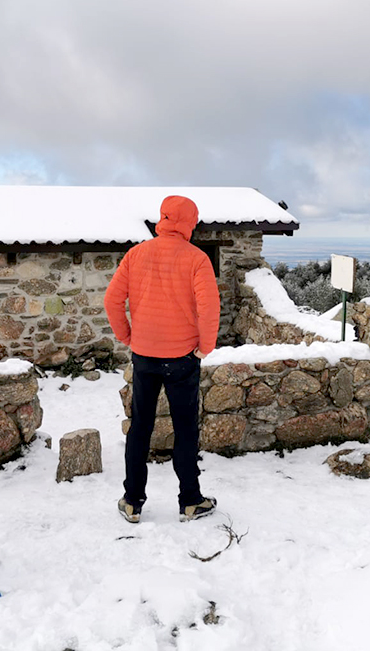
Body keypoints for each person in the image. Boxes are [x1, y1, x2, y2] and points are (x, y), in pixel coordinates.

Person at [104, 195, 221, 524]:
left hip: (144, 356)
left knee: (140, 427)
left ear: (163, 218)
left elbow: (112, 300)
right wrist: (205, 347)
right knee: (185, 430)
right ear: (190, 223)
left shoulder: (136, 253)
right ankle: (190, 501)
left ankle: (132, 501)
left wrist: (128, 336)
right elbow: (210, 308)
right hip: (183, 358)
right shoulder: (197, 259)